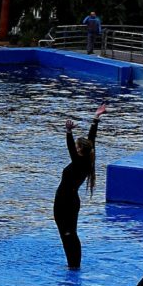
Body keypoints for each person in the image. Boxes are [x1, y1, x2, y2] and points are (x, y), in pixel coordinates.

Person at [54, 103, 106, 269]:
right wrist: (96, 118)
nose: (74, 148)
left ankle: (73, 265)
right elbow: (92, 139)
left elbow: (71, 147)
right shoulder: (87, 159)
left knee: (67, 234)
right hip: (70, 201)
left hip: (64, 203)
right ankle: (74, 264)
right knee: (71, 234)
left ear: (80, 150)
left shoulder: (80, 162)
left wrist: (68, 132)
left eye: (77, 147)